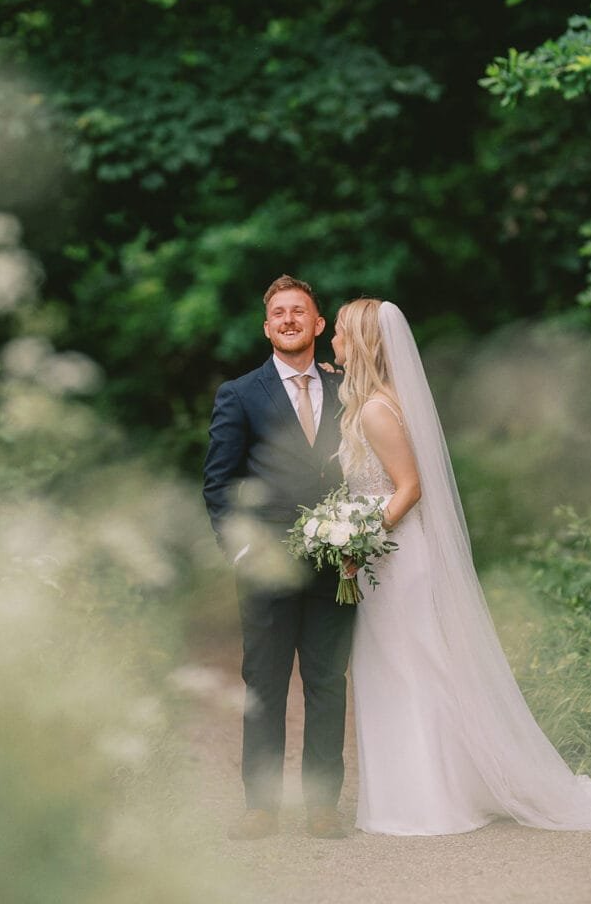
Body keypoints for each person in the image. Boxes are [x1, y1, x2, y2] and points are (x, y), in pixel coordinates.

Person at [331, 297, 591, 835]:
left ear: (363, 342)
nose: (334, 343)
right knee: (410, 669)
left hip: (393, 560)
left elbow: (410, 488)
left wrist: (359, 537)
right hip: (391, 558)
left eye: (341, 333)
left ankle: (424, 804)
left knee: (410, 672)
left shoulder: (374, 409)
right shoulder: (385, 400)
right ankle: (435, 791)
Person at [203, 275, 354, 840]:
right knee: (263, 682)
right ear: (267, 328)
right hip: (264, 563)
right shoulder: (239, 394)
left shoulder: (349, 391)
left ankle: (322, 804)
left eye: (300, 311)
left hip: (339, 563)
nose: (289, 319)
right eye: (279, 313)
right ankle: (260, 804)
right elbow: (219, 484)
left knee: (327, 680)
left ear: (318, 324)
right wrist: (241, 549)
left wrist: (357, 540)